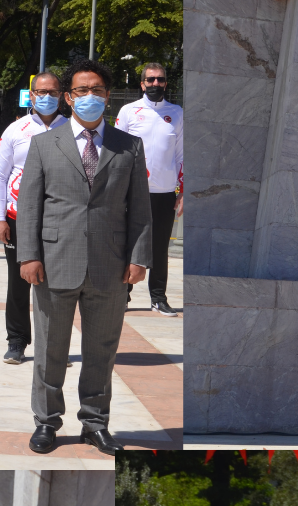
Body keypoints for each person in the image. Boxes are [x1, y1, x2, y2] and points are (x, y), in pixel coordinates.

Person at [15, 59, 152, 456]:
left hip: (110, 265)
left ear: (107, 97)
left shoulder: (128, 146)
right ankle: (46, 423)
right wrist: (29, 255)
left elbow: (140, 209)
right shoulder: (44, 144)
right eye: (80, 91)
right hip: (54, 262)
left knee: (101, 350)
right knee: (50, 350)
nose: (88, 97)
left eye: (96, 90)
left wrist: (139, 258)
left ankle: (95, 423)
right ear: (68, 98)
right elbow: (29, 207)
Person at [0, 71, 66, 363]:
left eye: (53, 92)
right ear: (31, 95)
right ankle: (17, 341)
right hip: (17, 219)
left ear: (63, 97)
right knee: (18, 283)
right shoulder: (15, 131)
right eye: (41, 92)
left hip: (59, 222)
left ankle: (54, 346)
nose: (47, 97)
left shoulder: (72, 130)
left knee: (57, 286)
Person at [113, 61, 183, 316]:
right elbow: (115, 152)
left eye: (160, 80)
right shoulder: (129, 111)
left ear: (166, 83)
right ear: (142, 83)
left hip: (165, 192)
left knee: (160, 246)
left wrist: (182, 190)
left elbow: (182, 154)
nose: (156, 84)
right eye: (151, 80)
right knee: (128, 243)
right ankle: (123, 295)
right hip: (132, 190)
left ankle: (158, 297)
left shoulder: (177, 113)